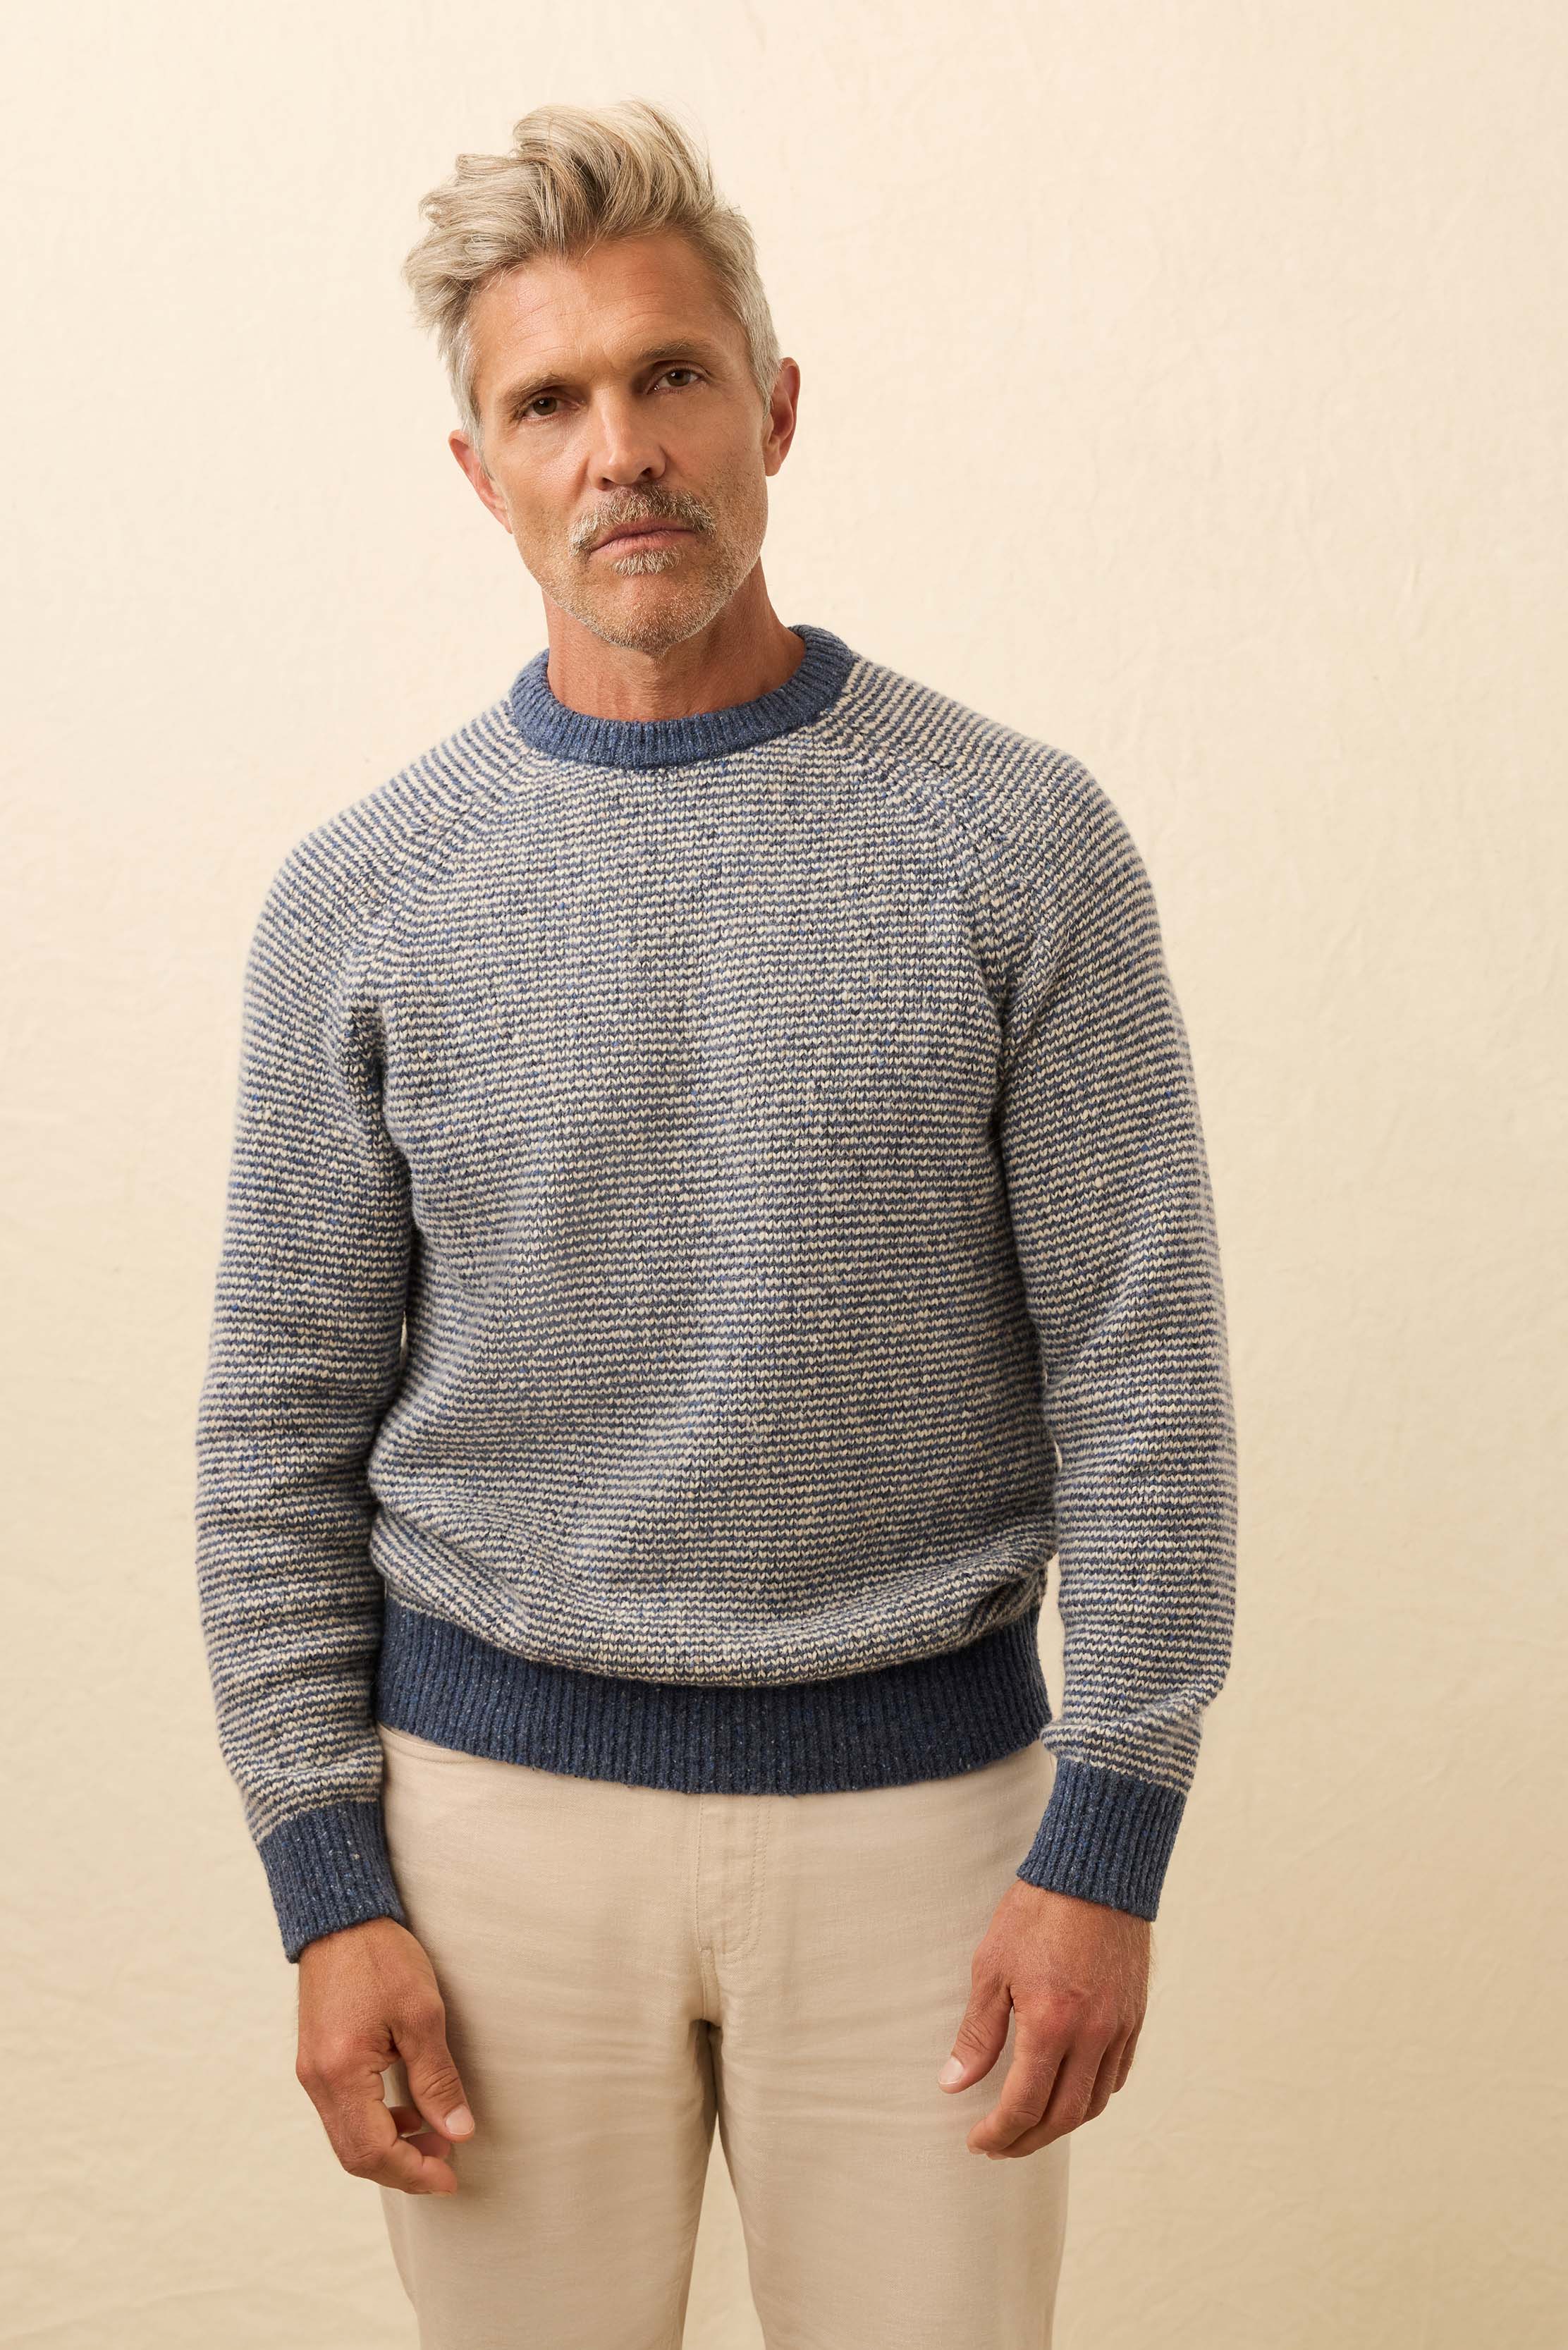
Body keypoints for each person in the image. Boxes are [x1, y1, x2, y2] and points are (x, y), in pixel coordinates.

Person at [194, 94, 1237, 2350]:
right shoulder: (366, 898)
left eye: (667, 376)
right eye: (547, 402)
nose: (618, 449)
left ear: (770, 406)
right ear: (480, 475)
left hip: (936, 1837)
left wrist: (1108, 1835)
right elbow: (276, 1423)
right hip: (480, 1846)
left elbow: (1140, 1369)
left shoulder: (1016, 843)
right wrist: (324, 1886)